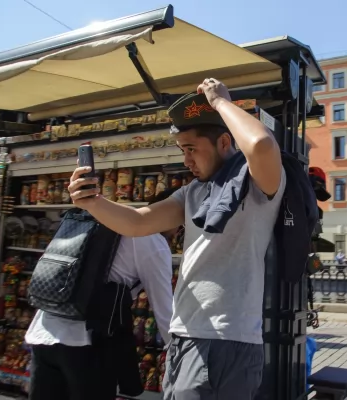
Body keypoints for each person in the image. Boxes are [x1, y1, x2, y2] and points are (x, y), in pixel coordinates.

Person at [66, 78, 286, 400]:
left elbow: (262, 146)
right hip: (184, 337)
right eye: (182, 150)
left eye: (192, 149)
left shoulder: (257, 185)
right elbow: (137, 222)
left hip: (224, 340)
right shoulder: (193, 192)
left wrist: (221, 102)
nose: (186, 160)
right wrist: (91, 201)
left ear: (224, 142)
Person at [25, 189, 177, 400]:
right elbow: (164, 309)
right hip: (86, 343)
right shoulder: (152, 241)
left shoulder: (105, 217)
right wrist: (181, 354)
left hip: (42, 332)